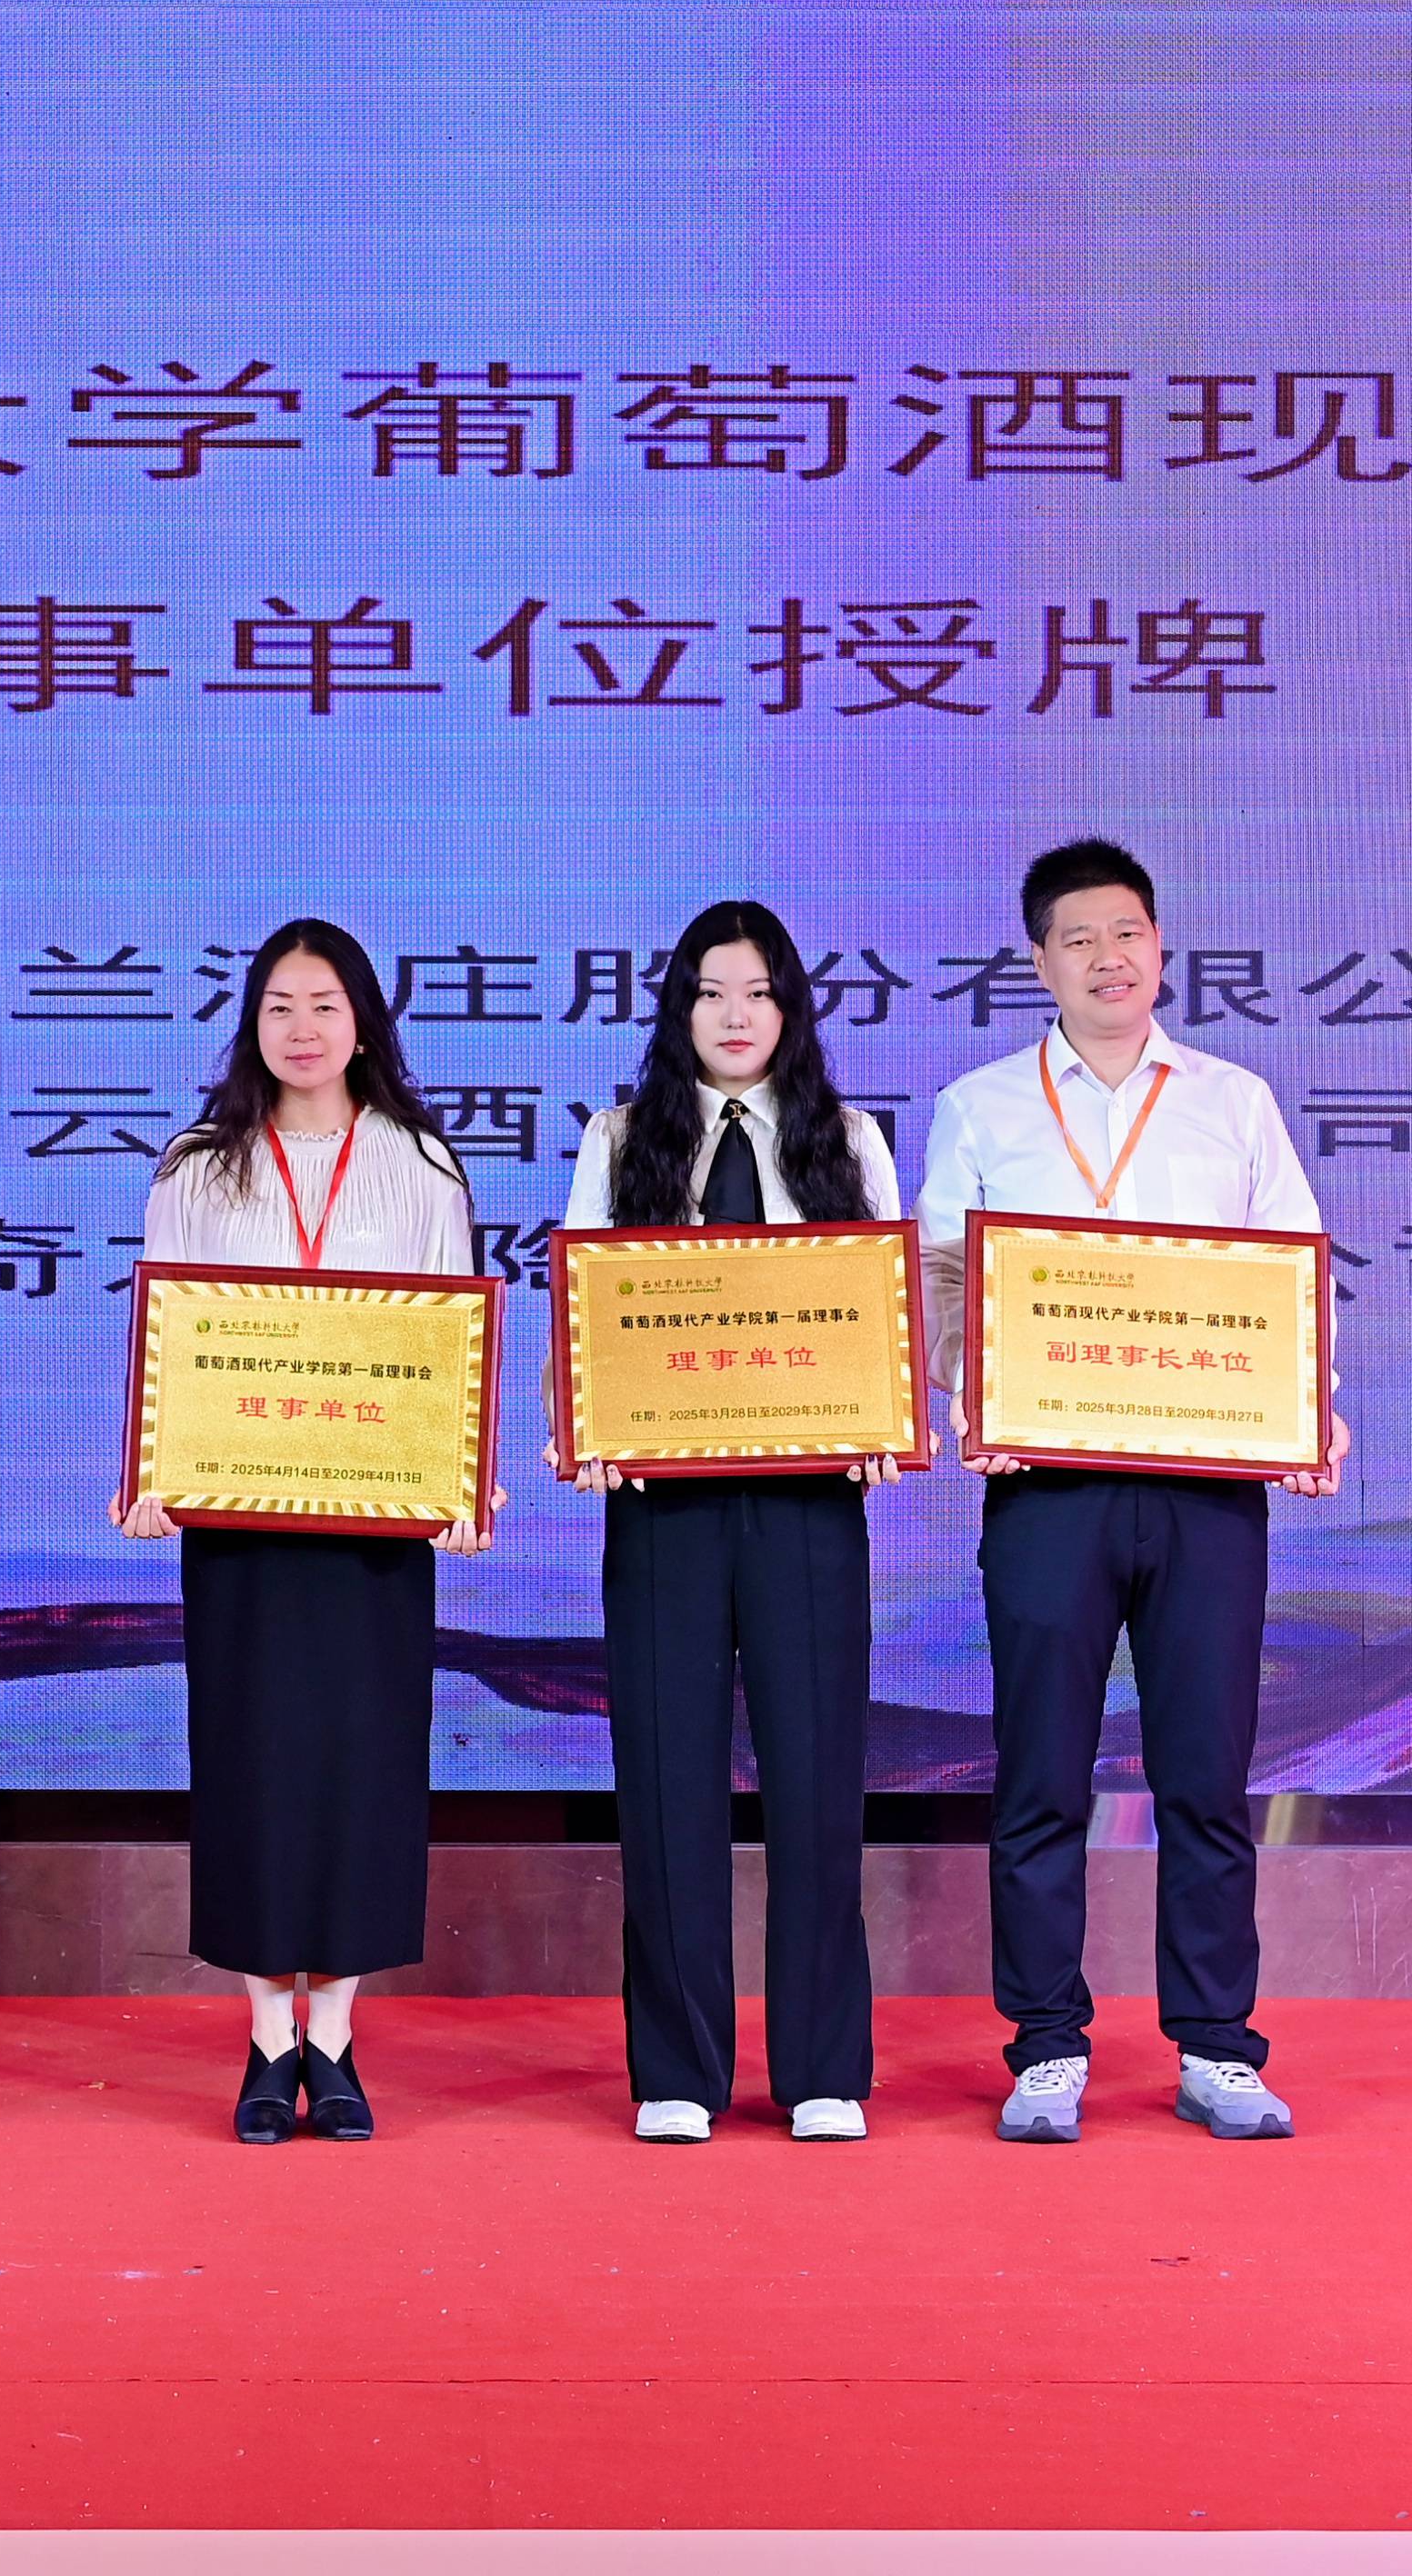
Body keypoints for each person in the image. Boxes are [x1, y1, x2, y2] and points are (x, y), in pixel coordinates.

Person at [910, 837, 1341, 2146]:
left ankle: (1217, 2046)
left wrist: (1310, 1409)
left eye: (1130, 933)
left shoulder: (1234, 1103)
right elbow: (943, 1279)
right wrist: (968, 1391)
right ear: (1039, 963)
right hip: (1048, 1485)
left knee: (1205, 1773)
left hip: (1204, 1488)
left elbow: (1291, 1274)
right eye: (1081, 939)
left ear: (1160, 947)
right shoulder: (981, 1105)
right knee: (1041, 1773)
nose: (1110, 958)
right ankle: (1046, 2044)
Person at [120, 919, 489, 2144]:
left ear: (365, 1023)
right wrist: (153, 1475)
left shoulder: (422, 1164)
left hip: (373, 1522)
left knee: (361, 1767)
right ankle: (264, 2041)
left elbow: (452, 1343)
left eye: (325, 1004)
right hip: (240, 1520)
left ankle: (334, 2037)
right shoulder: (197, 1165)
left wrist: (461, 1484)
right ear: (252, 1024)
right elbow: (165, 1340)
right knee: (253, 1766)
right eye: (279, 1005)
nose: (302, 1028)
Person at [559, 904, 903, 2149]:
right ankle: (679, 2069)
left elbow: (885, 1314)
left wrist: (883, 1417)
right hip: (665, 1504)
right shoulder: (620, 1140)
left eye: (759, 992)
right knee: (666, 1780)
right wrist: (587, 1425)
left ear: (793, 1008)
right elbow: (583, 1310)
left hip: (810, 1503)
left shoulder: (848, 1141)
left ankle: (821, 2067)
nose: (737, 1015)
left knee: (817, 1780)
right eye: (712, 992)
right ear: (679, 1011)